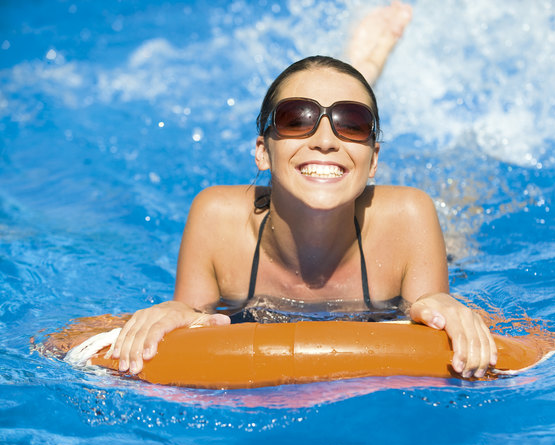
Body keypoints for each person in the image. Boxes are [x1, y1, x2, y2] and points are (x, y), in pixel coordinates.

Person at [111, 4, 497, 380]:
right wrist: (176, 313)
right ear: (262, 151)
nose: (325, 139)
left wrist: (444, 307)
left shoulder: (408, 217)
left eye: (354, 122)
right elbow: (188, 316)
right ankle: (357, 73)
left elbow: (434, 320)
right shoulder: (218, 220)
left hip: (389, 225)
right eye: (297, 120)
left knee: (459, 239)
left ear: (375, 160)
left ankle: (358, 72)